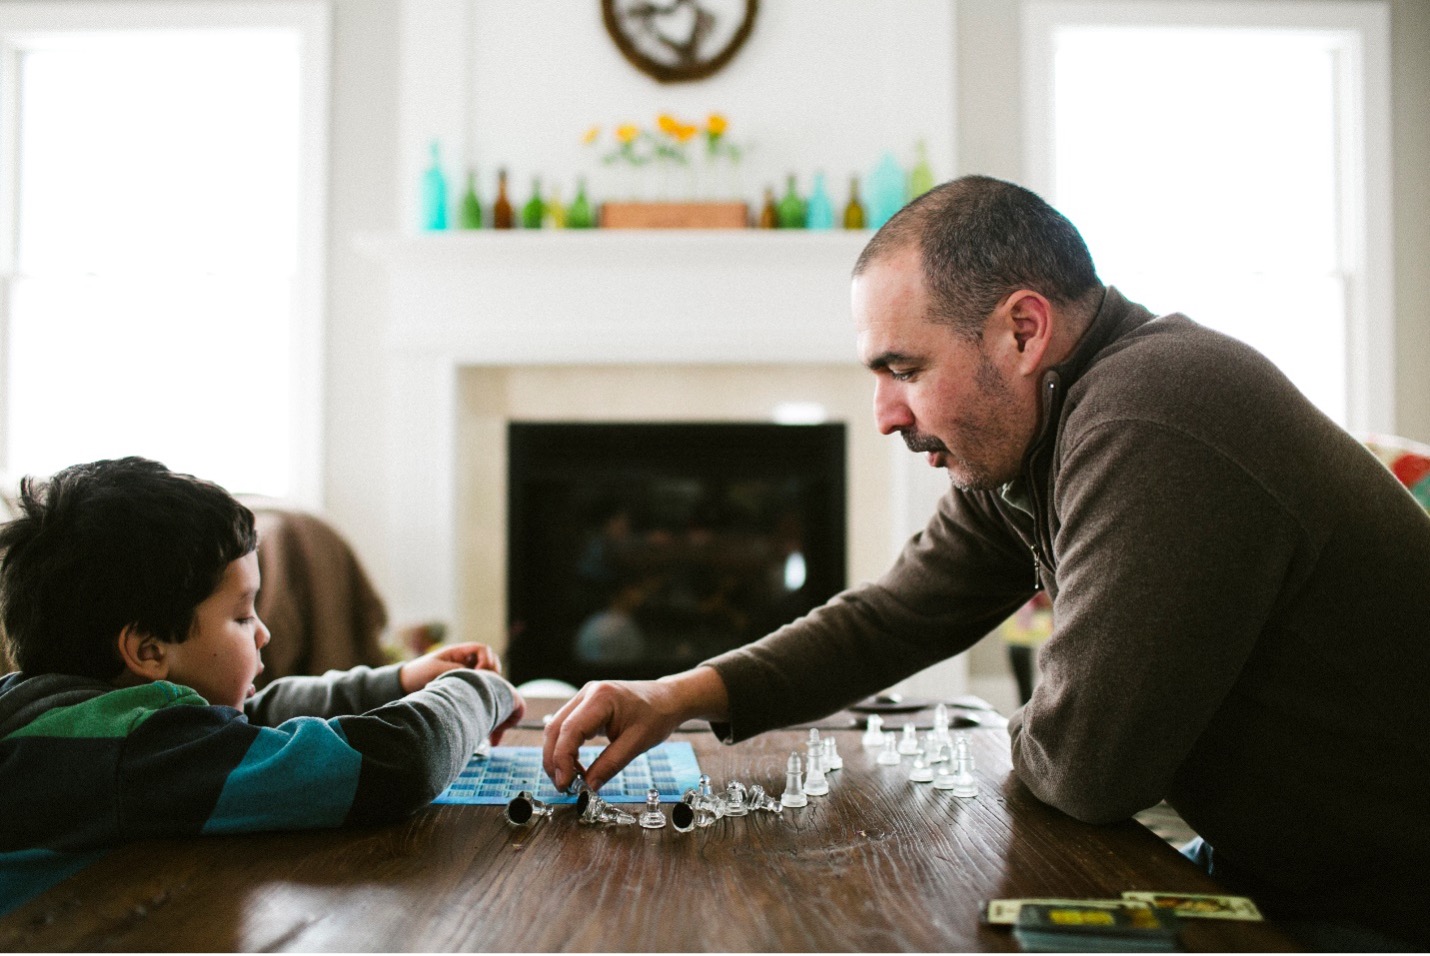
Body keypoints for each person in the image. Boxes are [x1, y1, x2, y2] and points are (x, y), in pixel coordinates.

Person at [543, 175, 1430, 948]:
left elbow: (1083, 768)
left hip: (1380, 909)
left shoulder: (1152, 414)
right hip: (1271, 870)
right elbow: (893, 616)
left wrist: (994, 735)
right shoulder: (1042, 429)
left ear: (1021, 331)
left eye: (905, 367)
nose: (887, 414)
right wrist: (674, 695)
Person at [0, 457, 524, 915]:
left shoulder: (56, 713)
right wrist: (477, 690)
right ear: (148, 651)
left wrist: (400, 680)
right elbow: (396, 763)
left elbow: (247, 718)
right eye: (243, 615)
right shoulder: (134, 753)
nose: (265, 632)